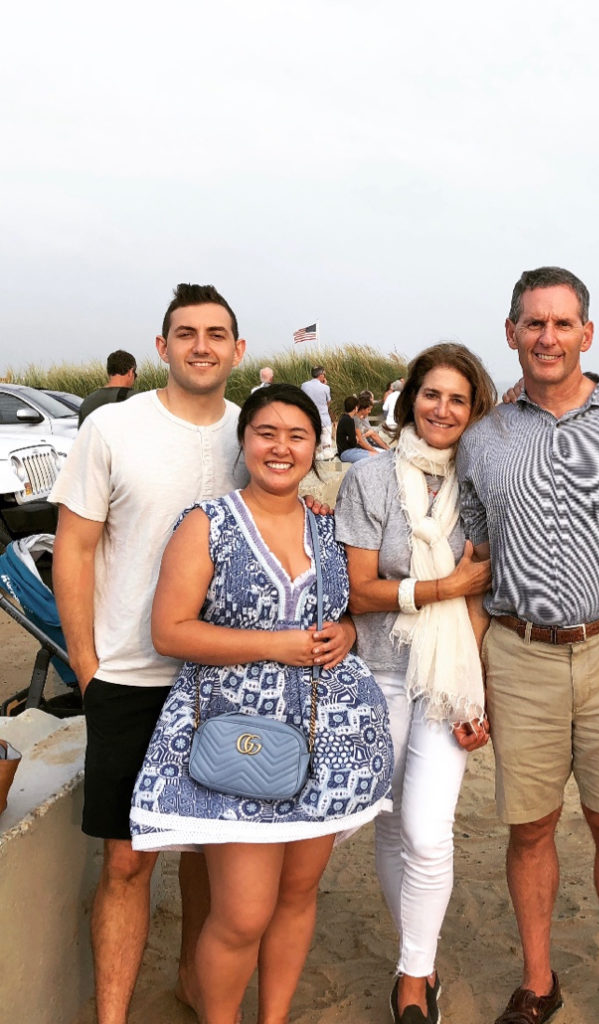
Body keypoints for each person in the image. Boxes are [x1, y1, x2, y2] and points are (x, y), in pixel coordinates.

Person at [457, 266, 599, 1024]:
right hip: (519, 654)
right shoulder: (482, 439)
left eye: (562, 323)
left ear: (586, 333)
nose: (547, 337)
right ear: (511, 332)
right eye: (533, 323)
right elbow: (474, 567)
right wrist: (473, 675)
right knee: (530, 827)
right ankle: (539, 980)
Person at [129, 383, 394, 1024]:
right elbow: (171, 630)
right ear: (245, 442)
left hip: (323, 733)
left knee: (298, 895)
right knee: (242, 913)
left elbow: (350, 609)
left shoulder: (328, 528)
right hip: (234, 734)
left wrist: (350, 633)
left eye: (297, 435)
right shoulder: (207, 523)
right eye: (267, 433)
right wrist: (278, 645)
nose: (281, 447)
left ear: (316, 445)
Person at [51, 284, 256, 1024]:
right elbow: (72, 551)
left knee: (210, 858)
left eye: (216, 333)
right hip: (129, 675)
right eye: (186, 332)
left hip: (223, 678)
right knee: (129, 860)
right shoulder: (113, 429)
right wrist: (86, 667)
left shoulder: (251, 433)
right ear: (162, 346)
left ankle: (197, 994)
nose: (201, 344)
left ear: (238, 349)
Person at [336, 343, 496, 1024]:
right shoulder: (371, 480)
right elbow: (359, 591)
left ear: (474, 410)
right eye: (432, 394)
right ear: (411, 400)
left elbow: (483, 598)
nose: (443, 409)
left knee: (429, 832)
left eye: (458, 399)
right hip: (376, 674)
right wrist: (442, 587)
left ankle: (414, 974)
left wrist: (473, 688)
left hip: (446, 681)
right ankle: (415, 957)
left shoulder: (484, 487)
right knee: (391, 824)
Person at [78, 349, 137, 425]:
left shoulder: (87, 402)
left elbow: (82, 435)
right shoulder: (137, 399)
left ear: (109, 371)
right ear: (130, 372)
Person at [301, 366, 333, 453]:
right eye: (324, 374)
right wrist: (324, 385)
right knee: (326, 444)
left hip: (309, 419)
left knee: (311, 445)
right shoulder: (326, 388)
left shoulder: (304, 385)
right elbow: (328, 403)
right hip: (324, 420)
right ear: (321, 375)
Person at [337, 395, 372, 463]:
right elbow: (353, 442)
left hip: (346, 451)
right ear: (355, 408)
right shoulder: (349, 420)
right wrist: (356, 439)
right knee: (373, 456)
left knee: (373, 454)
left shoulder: (344, 418)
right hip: (346, 453)